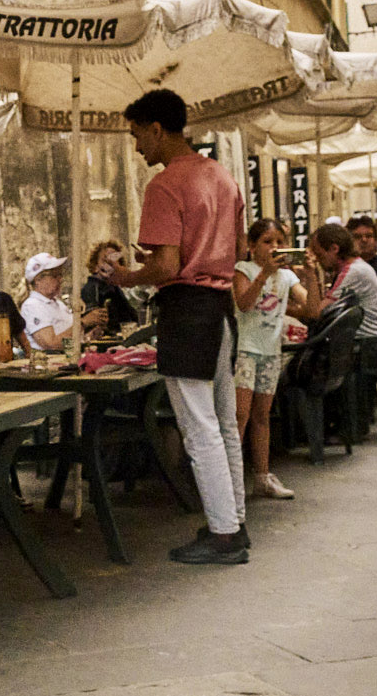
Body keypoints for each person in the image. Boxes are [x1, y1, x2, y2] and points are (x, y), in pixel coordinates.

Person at [104, 89, 248, 566]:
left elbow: (166, 267)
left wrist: (126, 276)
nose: (136, 147)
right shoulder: (222, 176)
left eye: (137, 135)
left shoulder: (164, 185)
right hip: (221, 307)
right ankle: (234, 521)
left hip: (186, 311)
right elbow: (237, 249)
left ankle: (223, 535)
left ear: (156, 129)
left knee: (198, 427)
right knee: (223, 423)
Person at [234, 218, 306, 503]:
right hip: (245, 350)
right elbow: (244, 303)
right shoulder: (243, 270)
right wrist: (264, 274)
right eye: (267, 242)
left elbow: (310, 306)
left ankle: (262, 477)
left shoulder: (287, 277)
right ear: (252, 246)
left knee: (261, 416)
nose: (274, 247)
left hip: (271, 352)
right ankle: (231, 480)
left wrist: (310, 275)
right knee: (240, 416)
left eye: (279, 242)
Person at [303, 222, 377, 340]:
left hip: (376, 342)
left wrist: (310, 275)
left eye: (319, 255)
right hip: (372, 341)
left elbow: (315, 314)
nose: (317, 260)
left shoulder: (353, 272)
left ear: (334, 249)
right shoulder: (353, 267)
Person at [19, 253, 80, 352]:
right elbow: (51, 344)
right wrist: (82, 324)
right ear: (38, 280)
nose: (60, 280)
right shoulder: (32, 305)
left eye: (60, 275)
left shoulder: (59, 304)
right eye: (54, 276)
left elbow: (70, 337)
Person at [79, 240, 139, 334]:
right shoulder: (92, 288)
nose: (109, 266)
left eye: (113, 262)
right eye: (105, 261)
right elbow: (95, 321)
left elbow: (131, 316)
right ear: (95, 265)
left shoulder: (115, 288)